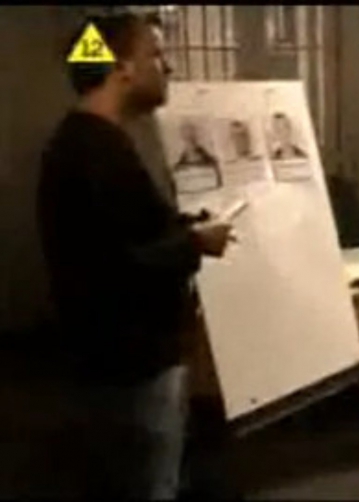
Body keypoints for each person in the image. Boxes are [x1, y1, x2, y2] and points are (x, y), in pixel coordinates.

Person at [21, 13, 232, 498]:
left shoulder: (89, 141)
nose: (168, 66)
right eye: (155, 54)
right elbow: (115, 266)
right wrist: (196, 243)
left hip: (118, 361)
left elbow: (129, 232)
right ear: (122, 68)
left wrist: (185, 226)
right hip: (133, 367)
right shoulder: (93, 151)